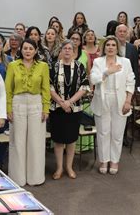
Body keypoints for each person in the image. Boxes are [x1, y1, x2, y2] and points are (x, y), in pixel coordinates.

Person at [5, 38, 50, 186]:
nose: (28, 51)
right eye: (25, 48)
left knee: (36, 142)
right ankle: (18, 178)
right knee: (18, 141)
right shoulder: (12, 65)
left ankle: (35, 177)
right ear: (21, 50)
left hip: (36, 104)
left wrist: (46, 108)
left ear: (36, 50)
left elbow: (46, 89)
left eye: (31, 48)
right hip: (18, 103)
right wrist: (8, 108)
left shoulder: (43, 66)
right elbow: (8, 89)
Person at [90, 36, 135, 175]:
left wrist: (128, 100)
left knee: (117, 132)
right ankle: (104, 160)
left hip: (120, 100)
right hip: (102, 99)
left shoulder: (125, 62)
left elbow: (130, 81)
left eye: (113, 45)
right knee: (103, 132)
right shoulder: (98, 61)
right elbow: (93, 79)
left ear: (117, 48)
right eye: (108, 45)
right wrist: (108, 72)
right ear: (104, 47)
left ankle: (114, 160)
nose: (110, 47)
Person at [49, 40, 90, 180]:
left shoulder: (80, 67)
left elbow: (84, 88)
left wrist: (69, 102)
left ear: (74, 51)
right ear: (60, 51)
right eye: (64, 48)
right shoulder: (53, 66)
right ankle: (59, 168)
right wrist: (61, 102)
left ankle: (69, 167)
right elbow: (49, 87)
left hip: (75, 109)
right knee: (59, 140)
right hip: (57, 108)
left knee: (71, 139)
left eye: (70, 49)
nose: (67, 51)